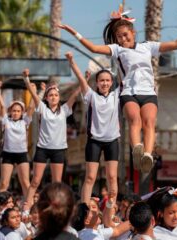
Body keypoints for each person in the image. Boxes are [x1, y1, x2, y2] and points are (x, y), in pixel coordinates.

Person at [59, 7, 177, 173]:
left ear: (133, 32)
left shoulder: (148, 46)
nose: (123, 39)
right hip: (129, 93)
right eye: (119, 37)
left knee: (149, 123)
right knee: (135, 121)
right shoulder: (117, 50)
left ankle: (147, 155)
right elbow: (93, 49)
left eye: (125, 35)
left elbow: (176, 45)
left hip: (148, 93)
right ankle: (136, 149)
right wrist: (74, 32)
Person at [65, 51, 120, 206]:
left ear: (111, 82)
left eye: (107, 80)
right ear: (96, 83)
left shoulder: (117, 95)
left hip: (112, 141)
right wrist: (71, 61)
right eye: (101, 80)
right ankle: (84, 208)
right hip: (94, 141)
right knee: (90, 178)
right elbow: (81, 79)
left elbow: (125, 75)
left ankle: (111, 208)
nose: (104, 83)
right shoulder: (90, 96)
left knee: (112, 177)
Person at [22, 69, 80, 211]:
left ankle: (56, 206)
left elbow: (75, 94)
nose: (53, 97)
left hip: (58, 150)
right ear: (46, 98)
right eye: (51, 95)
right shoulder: (42, 108)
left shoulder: (65, 110)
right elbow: (33, 94)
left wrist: (83, 79)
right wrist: (26, 79)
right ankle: (26, 207)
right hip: (42, 148)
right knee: (35, 181)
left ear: (59, 97)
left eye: (55, 95)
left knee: (57, 182)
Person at [0, 81, 35, 197]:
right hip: (7, 154)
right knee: (3, 183)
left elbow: (32, 106)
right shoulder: (6, 120)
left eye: (18, 111)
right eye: (14, 110)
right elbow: (1, 106)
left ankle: (28, 207)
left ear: (22, 112)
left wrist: (33, 91)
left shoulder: (25, 121)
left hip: (22, 154)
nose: (16, 113)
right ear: (10, 112)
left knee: (25, 183)